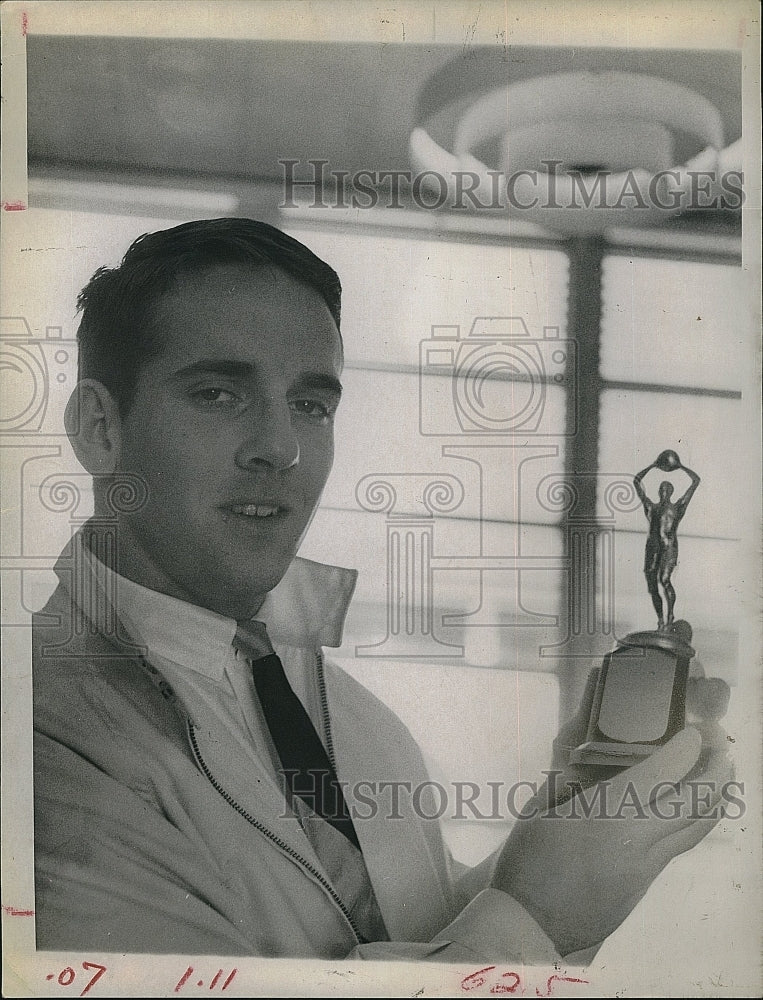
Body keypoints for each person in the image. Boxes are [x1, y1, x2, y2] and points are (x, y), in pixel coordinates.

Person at [33, 218, 731, 962]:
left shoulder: (348, 711)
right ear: (98, 428)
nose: (281, 448)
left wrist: (553, 837)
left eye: (311, 404)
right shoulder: (43, 743)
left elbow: (395, 943)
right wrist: (536, 917)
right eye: (217, 394)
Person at [634, 451, 701, 630]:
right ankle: (661, 620)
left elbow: (695, 481)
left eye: (667, 489)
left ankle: (670, 616)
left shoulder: (678, 508)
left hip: (669, 548)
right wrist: (653, 465)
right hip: (652, 547)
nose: (664, 491)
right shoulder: (651, 508)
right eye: (661, 489)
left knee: (664, 580)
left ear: (670, 492)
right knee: (651, 585)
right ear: (659, 492)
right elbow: (636, 482)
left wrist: (680, 466)